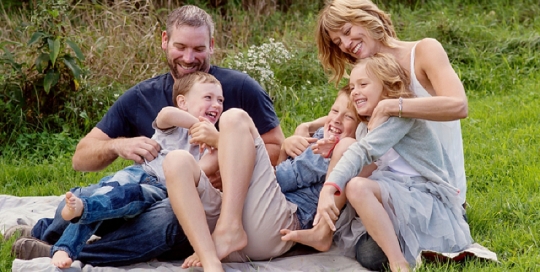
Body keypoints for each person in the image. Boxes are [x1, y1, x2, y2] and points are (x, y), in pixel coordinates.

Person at [11, 5, 285, 266]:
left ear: (212, 45)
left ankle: (81, 253)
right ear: (165, 41)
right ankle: (45, 231)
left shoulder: (241, 89)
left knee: (169, 219)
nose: (189, 58)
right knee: (85, 198)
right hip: (142, 190)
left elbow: (276, 149)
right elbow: (81, 158)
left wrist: (223, 156)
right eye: (181, 47)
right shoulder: (142, 96)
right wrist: (118, 145)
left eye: (199, 48)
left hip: (196, 206)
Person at [295, 53, 474, 271]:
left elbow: (364, 152)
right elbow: (361, 155)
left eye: (363, 84)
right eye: (352, 87)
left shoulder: (401, 117)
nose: (355, 92)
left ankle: (398, 263)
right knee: (369, 254)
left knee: (357, 187)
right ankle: (382, 245)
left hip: (425, 199)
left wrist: (329, 189)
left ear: (388, 89)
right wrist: (330, 143)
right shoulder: (365, 126)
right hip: (396, 199)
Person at [165, 87, 361, 271]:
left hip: (277, 226)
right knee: (176, 161)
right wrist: (292, 141)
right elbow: (277, 178)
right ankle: (210, 261)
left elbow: (282, 180)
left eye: (348, 117)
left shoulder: (339, 148)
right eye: (334, 111)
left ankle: (229, 229)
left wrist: (229, 144)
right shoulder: (319, 137)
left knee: (235, 118)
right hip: (245, 221)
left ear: (361, 126)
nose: (336, 119)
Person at [296, 0, 468, 206]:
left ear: (365, 17)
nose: (346, 44)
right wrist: (309, 126)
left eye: (347, 31)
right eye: (338, 42)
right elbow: (354, 113)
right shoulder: (369, 72)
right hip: (392, 176)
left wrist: (393, 106)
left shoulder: (424, 51)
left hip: (436, 181)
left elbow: (458, 106)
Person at [50, 72, 224, 268]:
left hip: (160, 191)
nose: (216, 105)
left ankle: (73, 238)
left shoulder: (214, 147)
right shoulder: (173, 126)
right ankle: (64, 246)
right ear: (182, 103)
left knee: (111, 201)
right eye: (208, 98)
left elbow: (196, 173)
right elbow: (166, 114)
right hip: (138, 174)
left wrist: (215, 139)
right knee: (104, 196)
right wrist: (195, 125)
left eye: (220, 100)